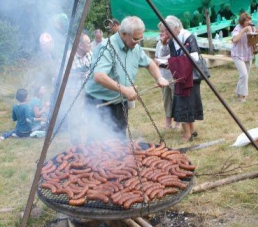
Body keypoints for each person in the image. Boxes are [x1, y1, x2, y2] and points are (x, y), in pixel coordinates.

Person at [85, 16, 169, 137]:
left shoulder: (135, 47)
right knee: (98, 144)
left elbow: (149, 63)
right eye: (135, 39)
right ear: (123, 34)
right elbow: (99, 76)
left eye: (140, 39)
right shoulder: (107, 47)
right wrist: (125, 90)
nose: (138, 42)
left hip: (120, 102)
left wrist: (159, 78)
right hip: (100, 102)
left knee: (119, 139)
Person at [165, 15, 203, 143]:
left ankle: (187, 133)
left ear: (175, 28)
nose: (165, 33)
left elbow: (195, 57)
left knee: (187, 104)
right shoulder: (171, 41)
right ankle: (190, 130)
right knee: (183, 102)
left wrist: (175, 62)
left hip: (191, 76)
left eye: (167, 30)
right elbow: (173, 58)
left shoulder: (188, 37)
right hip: (179, 76)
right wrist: (169, 63)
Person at [154, 22, 180, 130]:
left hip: (173, 75)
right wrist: (159, 64)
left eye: (163, 31)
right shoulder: (159, 43)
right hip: (163, 75)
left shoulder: (175, 42)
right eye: (160, 31)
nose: (161, 33)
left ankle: (178, 123)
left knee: (176, 99)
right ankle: (168, 124)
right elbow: (156, 58)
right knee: (166, 100)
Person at [231, 12, 254, 102]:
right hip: (238, 54)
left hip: (248, 54)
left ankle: (238, 92)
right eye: (246, 21)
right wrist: (243, 31)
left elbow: (253, 39)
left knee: (245, 75)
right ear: (242, 21)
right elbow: (234, 40)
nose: (248, 22)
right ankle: (243, 96)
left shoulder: (251, 27)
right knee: (244, 74)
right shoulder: (238, 28)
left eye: (249, 20)